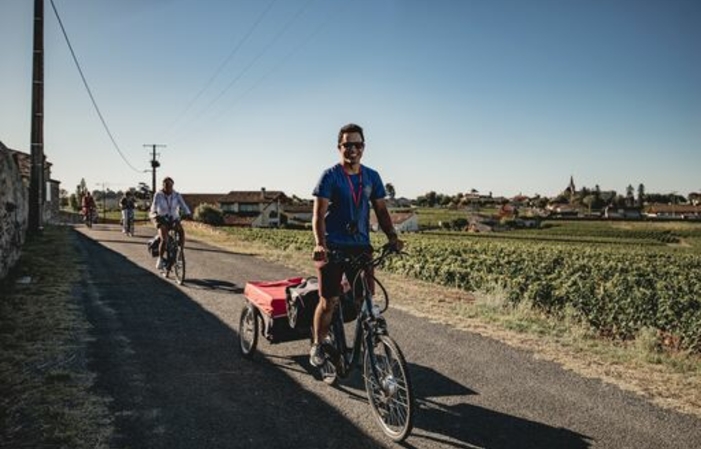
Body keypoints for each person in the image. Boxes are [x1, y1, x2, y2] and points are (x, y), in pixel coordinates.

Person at [309, 123, 403, 367]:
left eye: (357, 144)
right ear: (339, 147)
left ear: (364, 147)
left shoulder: (372, 176)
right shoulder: (330, 176)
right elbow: (318, 216)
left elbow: (381, 211)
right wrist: (320, 244)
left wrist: (392, 236)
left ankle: (369, 341)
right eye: (347, 144)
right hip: (332, 248)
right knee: (329, 301)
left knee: (366, 298)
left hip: (361, 247)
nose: (352, 149)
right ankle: (318, 345)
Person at [149, 176, 191, 270]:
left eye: (170, 185)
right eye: (166, 185)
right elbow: (153, 208)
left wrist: (188, 213)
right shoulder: (158, 195)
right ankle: (160, 259)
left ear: (173, 185)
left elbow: (183, 206)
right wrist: (155, 215)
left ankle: (180, 254)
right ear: (163, 185)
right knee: (164, 239)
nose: (168, 187)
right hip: (162, 219)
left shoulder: (176, 195)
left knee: (181, 232)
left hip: (174, 219)